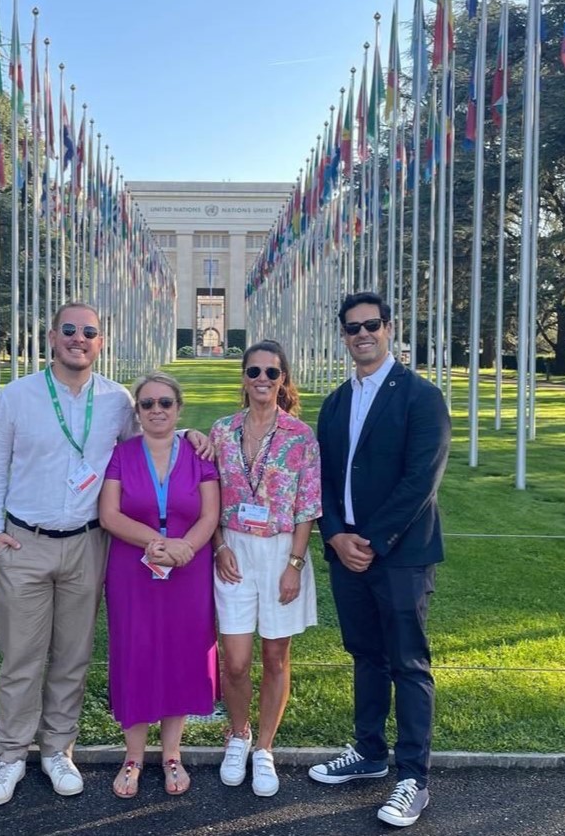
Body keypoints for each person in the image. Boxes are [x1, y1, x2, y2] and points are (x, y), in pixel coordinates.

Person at [0, 302, 210, 806]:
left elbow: (146, 450)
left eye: (89, 332)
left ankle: (58, 750)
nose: (78, 338)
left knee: (72, 656)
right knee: (21, 657)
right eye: (68, 330)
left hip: (88, 543)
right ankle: (11, 756)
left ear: (100, 341)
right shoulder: (17, 396)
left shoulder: (117, 401)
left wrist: (191, 437)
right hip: (26, 540)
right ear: (51, 336)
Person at [308, 292, 451, 829]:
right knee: (364, 655)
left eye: (370, 325)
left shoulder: (420, 396)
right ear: (343, 336)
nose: (361, 334)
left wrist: (368, 540)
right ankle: (369, 753)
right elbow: (321, 479)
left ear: (389, 328)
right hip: (346, 551)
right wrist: (337, 536)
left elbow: (422, 479)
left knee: (407, 663)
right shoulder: (338, 401)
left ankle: (413, 778)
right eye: (352, 328)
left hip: (400, 555)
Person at [98, 372, 220, 798]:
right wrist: (155, 542)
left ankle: (172, 754)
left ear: (178, 408)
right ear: (138, 411)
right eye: (147, 404)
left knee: (181, 656)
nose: (156, 411)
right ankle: (132, 756)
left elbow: (210, 513)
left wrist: (185, 547)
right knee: (136, 653)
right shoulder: (121, 454)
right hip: (134, 570)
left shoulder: (199, 453)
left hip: (188, 570)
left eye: (165, 403)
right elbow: (110, 515)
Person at [210, 340, 321, 798]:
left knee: (276, 657)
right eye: (253, 371)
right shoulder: (220, 431)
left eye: (271, 373)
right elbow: (207, 495)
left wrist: (294, 564)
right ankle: (237, 734)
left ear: (283, 380)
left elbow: (307, 507)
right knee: (235, 661)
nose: (261, 379)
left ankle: (265, 747)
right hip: (234, 550)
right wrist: (217, 546)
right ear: (243, 377)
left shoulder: (300, 436)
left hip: (281, 552)